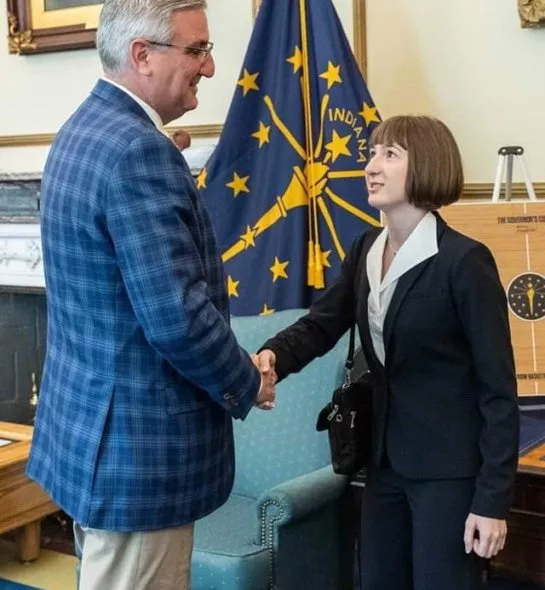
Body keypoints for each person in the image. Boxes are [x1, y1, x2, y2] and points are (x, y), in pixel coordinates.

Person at [26, 1, 275, 589]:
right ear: (142, 55)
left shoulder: (83, 129)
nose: (210, 68)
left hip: (94, 438)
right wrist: (245, 377)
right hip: (138, 454)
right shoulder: (138, 150)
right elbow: (177, 317)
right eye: (197, 50)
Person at [255, 114, 520, 590]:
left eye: (389, 154)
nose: (371, 166)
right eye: (371, 154)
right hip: (383, 466)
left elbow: (498, 390)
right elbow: (322, 324)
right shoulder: (365, 249)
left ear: (426, 166)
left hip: (448, 475)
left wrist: (491, 501)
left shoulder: (465, 262)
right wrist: (272, 356)